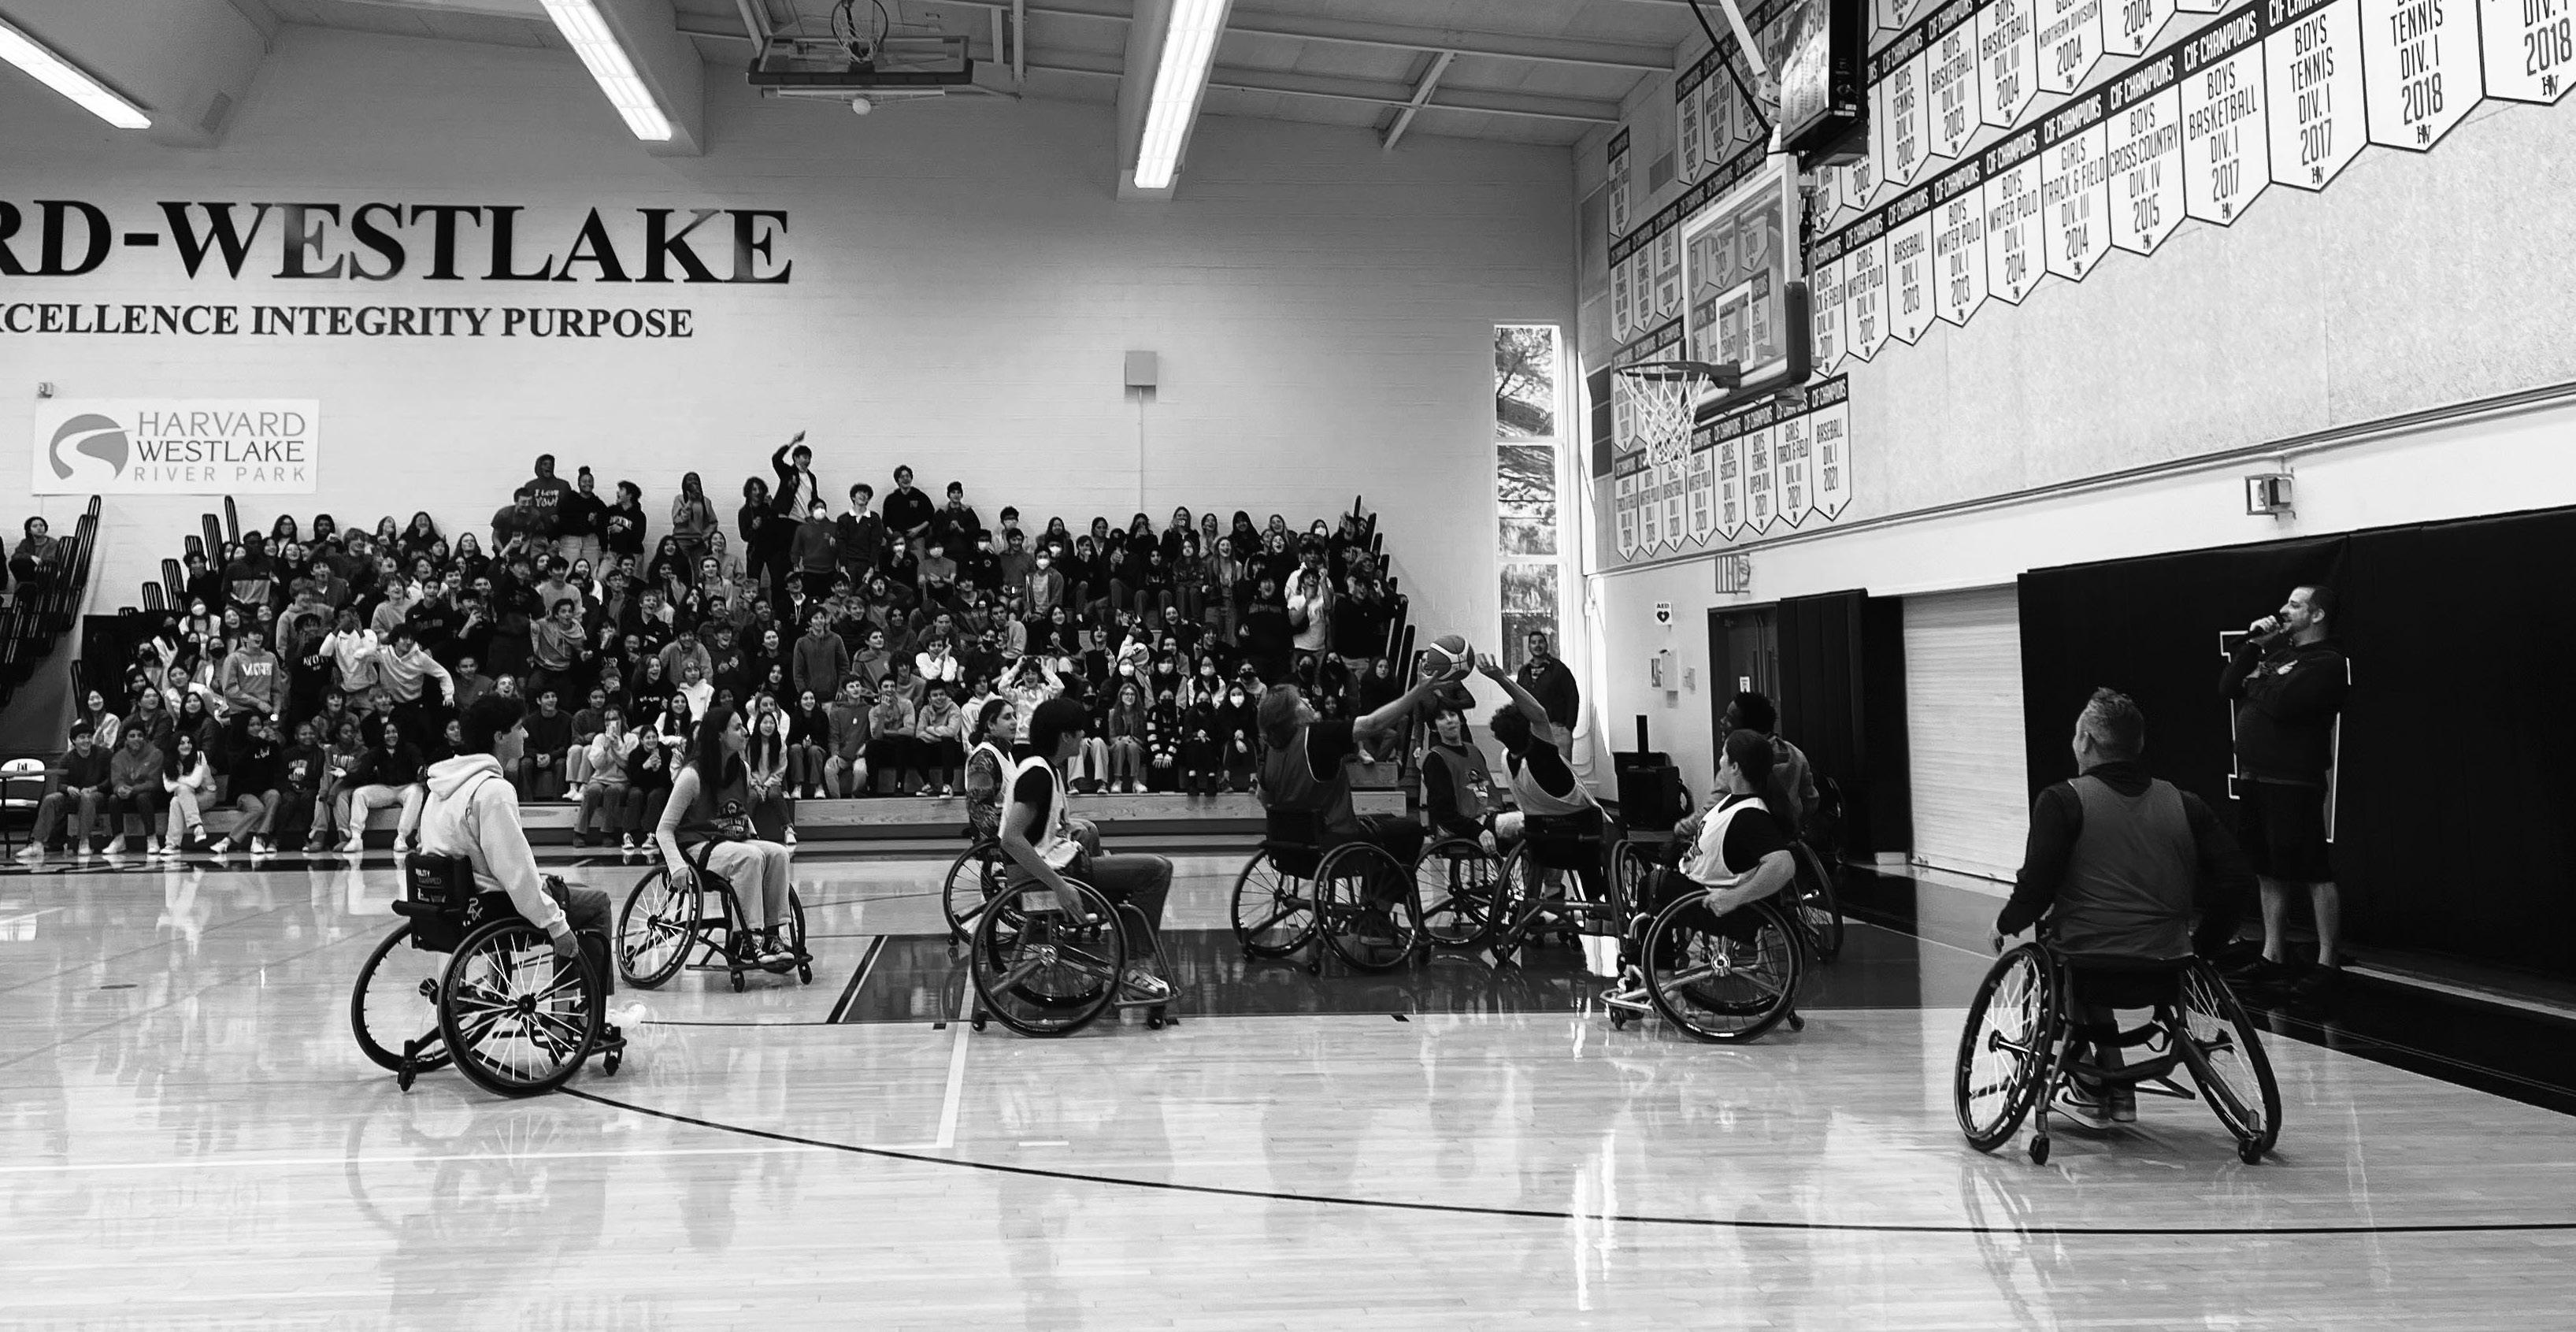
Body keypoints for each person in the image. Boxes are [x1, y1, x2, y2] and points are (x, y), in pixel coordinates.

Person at [1990, 688, 2259, 1124]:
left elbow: (2037, 888)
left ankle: (2092, 1080)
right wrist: (2204, 947)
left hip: (2088, 961)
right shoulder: (2185, 803)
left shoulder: (2062, 800)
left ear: (2085, 741)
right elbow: (2238, 881)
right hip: (2167, 963)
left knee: (2058, 946)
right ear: (2138, 744)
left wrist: (2006, 922)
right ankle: (2115, 1084)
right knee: (2085, 945)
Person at [421, 694, 624, 1041]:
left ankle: (565, 1009)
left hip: (449, 907)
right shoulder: (493, 790)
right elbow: (515, 873)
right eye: (519, 728)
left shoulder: (441, 785)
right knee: (596, 903)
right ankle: (575, 1015)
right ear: (499, 737)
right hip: (491, 908)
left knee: (566, 890)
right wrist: (556, 925)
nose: (526, 735)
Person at [2219, 584, 2352, 996]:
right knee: (2267, 869)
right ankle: (2273, 954)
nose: (2283, 610)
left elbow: (2284, 703)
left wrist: (2259, 681)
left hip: (2294, 781)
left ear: (2317, 615)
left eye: (2295, 605)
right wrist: (2254, 649)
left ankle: (2327, 962)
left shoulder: (2327, 662)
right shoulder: (2279, 656)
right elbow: (2229, 687)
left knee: (2313, 870)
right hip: (2256, 778)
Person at [1002, 697, 1173, 1004]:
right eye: (1079, 731)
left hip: (1058, 868)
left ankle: (1131, 959)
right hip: (1043, 880)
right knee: (1158, 870)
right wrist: (1061, 887)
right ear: (1065, 736)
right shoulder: (1038, 774)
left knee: (1096, 839)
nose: (1084, 736)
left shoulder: (1045, 769)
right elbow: (1011, 839)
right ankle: (1135, 969)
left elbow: (1037, 833)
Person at [1615, 728, 1806, 1000]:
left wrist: (1734, 897)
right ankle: (1654, 965)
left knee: (1654, 885)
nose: (1720, 761)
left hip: (1727, 908)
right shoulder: (1732, 801)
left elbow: (1783, 865)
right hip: (1702, 886)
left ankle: (1661, 976)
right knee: (1657, 877)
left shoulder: (1751, 815)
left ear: (1735, 767)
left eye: (1724, 755)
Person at [1255, 660, 1447, 908]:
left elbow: (1264, 799)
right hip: (1333, 845)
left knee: (1385, 825)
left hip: (1289, 852)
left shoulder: (1271, 752)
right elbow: (1373, 724)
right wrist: (1418, 690)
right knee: (1410, 831)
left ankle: (1372, 907)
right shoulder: (1318, 735)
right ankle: (1377, 910)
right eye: (1300, 701)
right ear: (1290, 716)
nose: (1308, 701)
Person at [657, 706, 799, 972]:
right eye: (737, 727)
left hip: (733, 841)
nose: (745, 732)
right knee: (751, 856)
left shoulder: (741, 769)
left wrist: (759, 843)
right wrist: (676, 866)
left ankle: (773, 934)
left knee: (778, 853)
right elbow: (664, 829)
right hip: (699, 846)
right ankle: (745, 938)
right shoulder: (691, 775)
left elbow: (740, 813)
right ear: (720, 735)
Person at [17, 722, 113, 860]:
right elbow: (61, 785)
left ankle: (84, 842)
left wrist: (94, 788)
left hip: (99, 795)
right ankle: (37, 844)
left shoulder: (104, 754)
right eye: (82, 737)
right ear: (74, 740)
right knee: (51, 799)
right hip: (75, 796)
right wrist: (68, 788)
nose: (86, 740)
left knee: (87, 798)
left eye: (89, 737)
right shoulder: (67, 758)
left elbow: (110, 781)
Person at [341, 718, 428, 852]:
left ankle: (401, 838)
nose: (391, 735)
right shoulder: (376, 751)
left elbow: (419, 765)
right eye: (387, 732)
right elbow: (362, 772)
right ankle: (356, 838)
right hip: (385, 789)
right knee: (359, 793)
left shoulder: (410, 749)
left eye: (394, 732)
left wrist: (421, 771)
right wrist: (344, 776)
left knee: (417, 791)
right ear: (382, 735)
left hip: (407, 787)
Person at [1416, 700, 1496, 843]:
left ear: (1461, 720)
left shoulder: (1474, 751)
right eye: (1442, 718)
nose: (1449, 720)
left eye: (1452, 715)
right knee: (1520, 823)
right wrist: (1477, 829)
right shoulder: (1435, 759)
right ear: (1434, 728)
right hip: (1461, 826)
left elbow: (1490, 791)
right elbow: (1443, 813)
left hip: (1488, 816)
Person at [1514, 629, 1580, 748]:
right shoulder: (1524, 672)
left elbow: (1573, 697)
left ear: (1546, 645)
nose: (1537, 645)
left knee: (1559, 760)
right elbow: (1518, 698)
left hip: (1556, 729)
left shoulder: (1559, 669)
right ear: (1529, 647)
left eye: (1541, 642)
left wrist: (1569, 728)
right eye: (1533, 642)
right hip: (1531, 731)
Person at [158, 732, 216, 856]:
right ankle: (195, 829)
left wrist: (177, 779)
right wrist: (183, 782)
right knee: (175, 801)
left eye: (189, 742)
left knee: (182, 790)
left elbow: (195, 782)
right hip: (184, 797)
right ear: (175, 746)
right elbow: (168, 787)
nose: (186, 746)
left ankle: (174, 843)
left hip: (206, 795)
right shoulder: (169, 760)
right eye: (182, 743)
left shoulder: (199, 756)